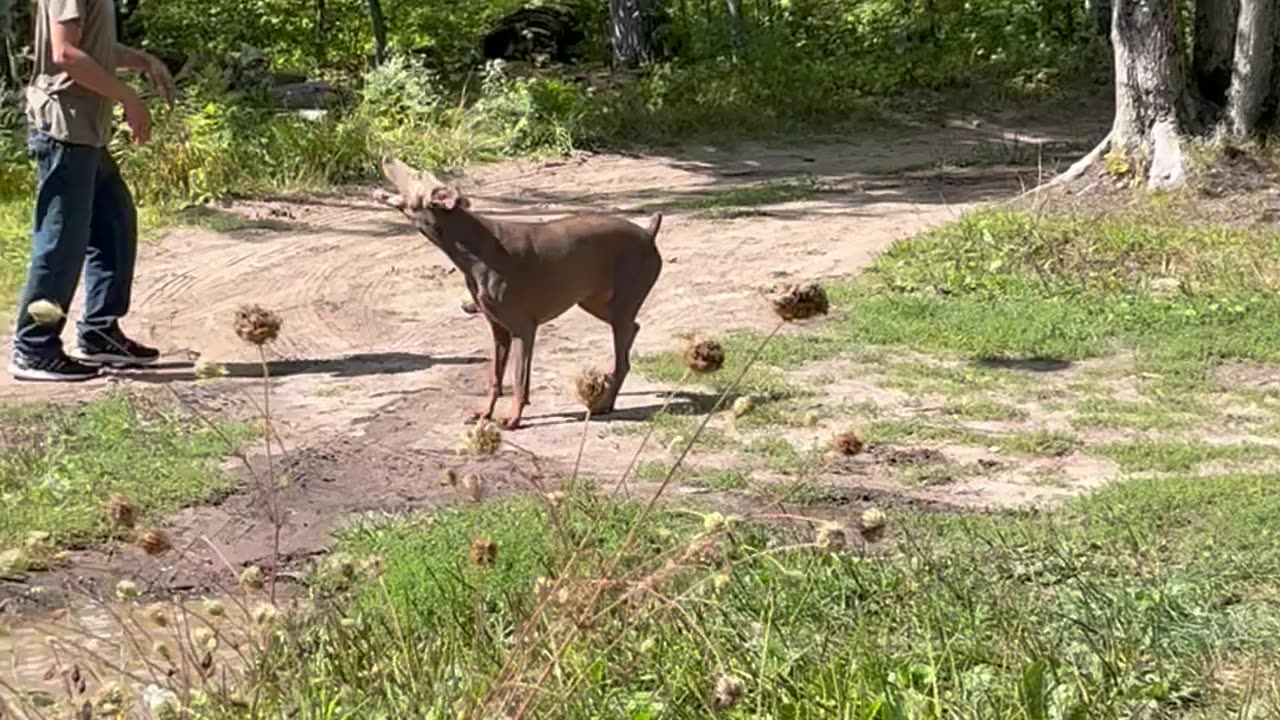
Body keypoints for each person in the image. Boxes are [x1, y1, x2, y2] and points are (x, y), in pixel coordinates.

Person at [8, 0, 175, 382]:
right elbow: (66, 53)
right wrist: (128, 97)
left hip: (88, 133)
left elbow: (97, 51)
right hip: (64, 131)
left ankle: (100, 331)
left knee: (114, 223)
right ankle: (35, 345)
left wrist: (144, 61)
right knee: (60, 245)